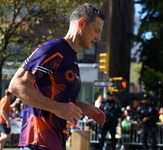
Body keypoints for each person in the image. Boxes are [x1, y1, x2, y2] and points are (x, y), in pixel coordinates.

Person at [8, 3, 106, 150]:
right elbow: (17, 85)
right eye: (96, 31)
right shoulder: (53, 49)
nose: (98, 37)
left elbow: (57, 100)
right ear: (81, 23)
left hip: (55, 142)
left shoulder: (70, 57)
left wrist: (83, 107)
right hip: (38, 141)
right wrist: (57, 107)